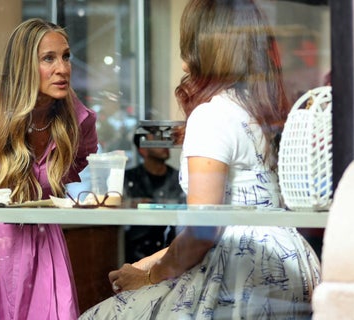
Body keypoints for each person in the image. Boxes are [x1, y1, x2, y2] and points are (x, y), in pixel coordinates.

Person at [80, 0, 321, 319]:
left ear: (202, 50)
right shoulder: (260, 112)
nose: (183, 64)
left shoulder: (212, 115)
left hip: (240, 271)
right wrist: (149, 262)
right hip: (287, 260)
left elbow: (203, 231)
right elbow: (221, 221)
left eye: (188, 47)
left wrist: (150, 275)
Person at [0, 18, 98, 320]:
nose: (62, 68)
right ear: (24, 65)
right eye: (48, 58)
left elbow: (82, 161)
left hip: (45, 247)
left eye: (66, 56)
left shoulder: (78, 119)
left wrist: (51, 181)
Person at [123, 133, 184, 262]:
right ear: (143, 150)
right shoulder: (128, 179)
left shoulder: (180, 179)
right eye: (157, 140)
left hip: (173, 253)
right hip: (135, 255)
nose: (164, 144)